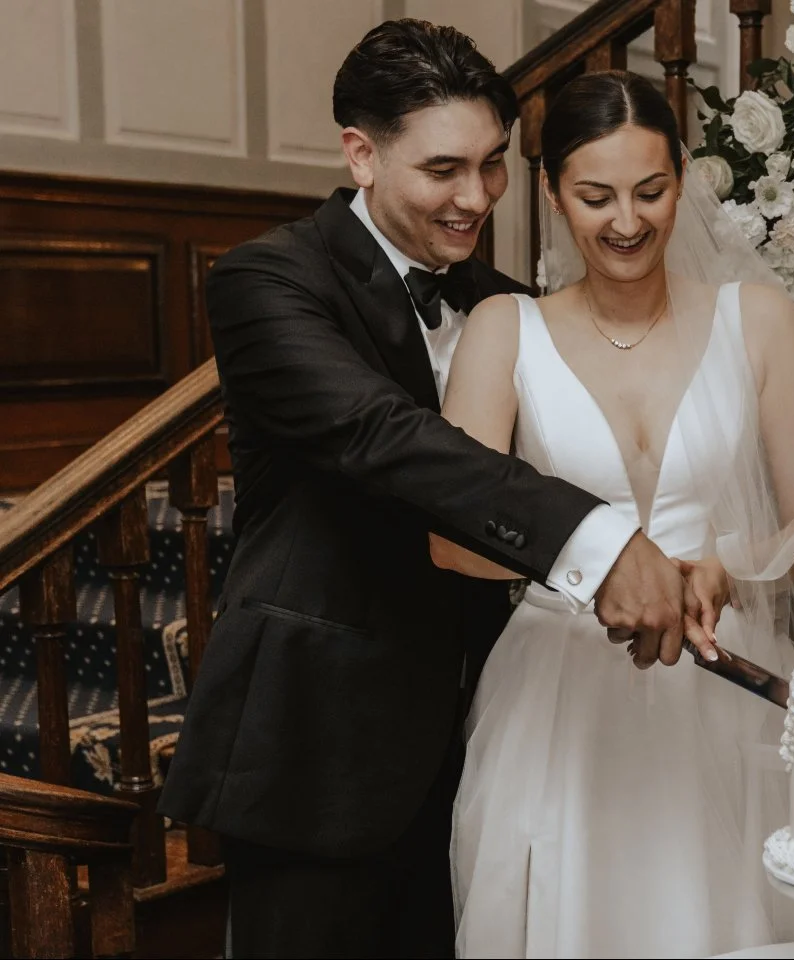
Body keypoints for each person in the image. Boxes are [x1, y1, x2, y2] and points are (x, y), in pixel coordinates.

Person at [159, 23, 690, 959]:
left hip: (485, 744)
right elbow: (383, 438)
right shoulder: (270, 278)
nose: (475, 196)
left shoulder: (504, 303)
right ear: (361, 155)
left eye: (491, 167)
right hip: (318, 741)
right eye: (443, 169)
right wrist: (601, 544)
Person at [439, 70, 794, 958]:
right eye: (595, 196)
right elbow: (455, 542)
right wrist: (596, 568)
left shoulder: (755, 320)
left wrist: (732, 564)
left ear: (684, 176)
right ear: (551, 189)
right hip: (557, 691)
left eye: (651, 191)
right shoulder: (503, 329)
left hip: (730, 683)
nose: (627, 222)